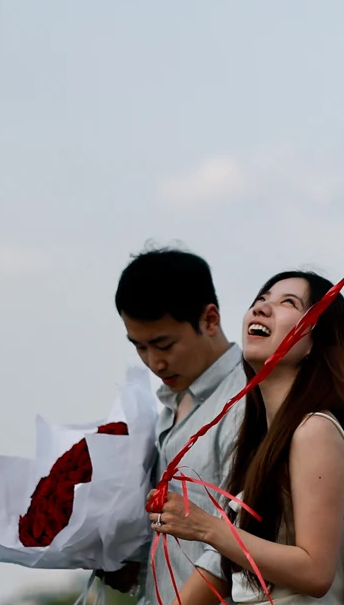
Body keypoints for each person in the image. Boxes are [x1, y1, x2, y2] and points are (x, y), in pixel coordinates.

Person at [152, 271, 344, 605]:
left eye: (287, 303)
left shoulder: (314, 430)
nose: (261, 309)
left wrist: (208, 528)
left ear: (314, 341)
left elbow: (316, 572)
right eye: (261, 300)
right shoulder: (261, 440)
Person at [106, 246, 249, 605]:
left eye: (163, 344)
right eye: (139, 346)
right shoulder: (172, 404)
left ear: (210, 320)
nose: (154, 361)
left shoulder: (247, 402)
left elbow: (240, 540)